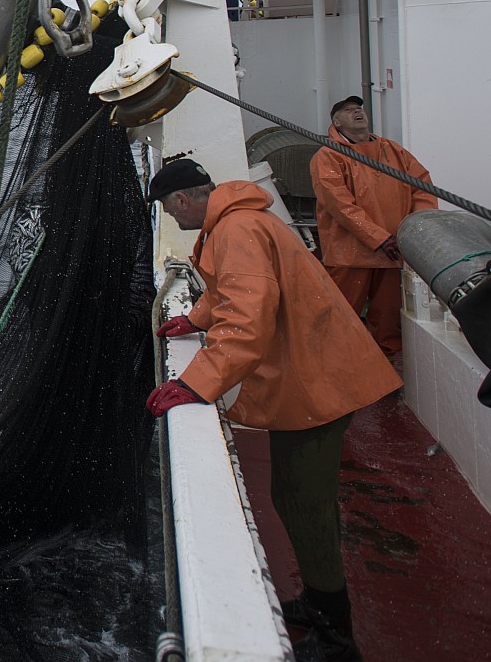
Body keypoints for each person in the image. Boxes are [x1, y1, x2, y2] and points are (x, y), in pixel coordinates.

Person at [144, 158, 401, 662]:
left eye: (171, 213)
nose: (174, 222)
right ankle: (318, 601)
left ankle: (336, 635)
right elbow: (226, 293)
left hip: (320, 383)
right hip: (310, 379)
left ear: (181, 201)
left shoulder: (235, 230)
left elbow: (248, 316)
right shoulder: (239, 221)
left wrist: (196, 383)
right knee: (289, 493)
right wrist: (194, 320)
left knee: (307, 504)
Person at [309, 96, 438, 357]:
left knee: (389, 322)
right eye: (348, 110)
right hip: (351, 256)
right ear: (336, 122)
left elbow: (422, 186)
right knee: (339, 318)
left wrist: (415, 231)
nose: (357, 111)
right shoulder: (328, 156)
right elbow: (339, 205)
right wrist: (379, 238)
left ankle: (387, 376)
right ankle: (334, 371)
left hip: (393, 251)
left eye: (359, 108)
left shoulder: (394, 151)